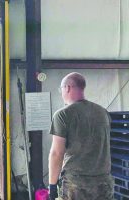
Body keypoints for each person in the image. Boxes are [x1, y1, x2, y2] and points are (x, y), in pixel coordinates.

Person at [48, 72, 113, 200]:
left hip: (76, 185)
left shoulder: (63, 115)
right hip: (104, 183)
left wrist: (52, 186)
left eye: (60, 89)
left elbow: (57, 153)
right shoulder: (103, 112)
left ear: (67, 88)